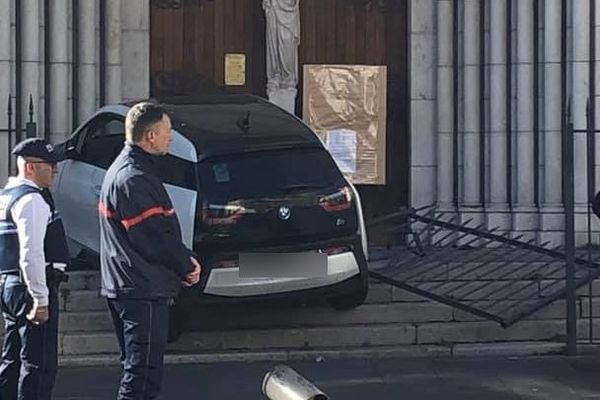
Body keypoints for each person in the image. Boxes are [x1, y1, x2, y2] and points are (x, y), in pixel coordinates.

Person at [98, 102, 201, 400]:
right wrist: (185, 264)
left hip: (134, 283)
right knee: (141, 377)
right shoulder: (133, 177)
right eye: (167, 131)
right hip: (140, 287)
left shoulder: (132, 170)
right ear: (151, 136)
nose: (171, 137)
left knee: (139, 371)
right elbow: (153, 236)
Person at [0, 138, 69, 400]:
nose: (54, 170)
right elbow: (32, 253)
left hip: (10, 284)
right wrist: (40, 299)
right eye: (49, 165)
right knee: (38, 364)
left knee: (12, 358)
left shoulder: (6, 196)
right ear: (30, 167)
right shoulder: (32, 200)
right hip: (28, 287)